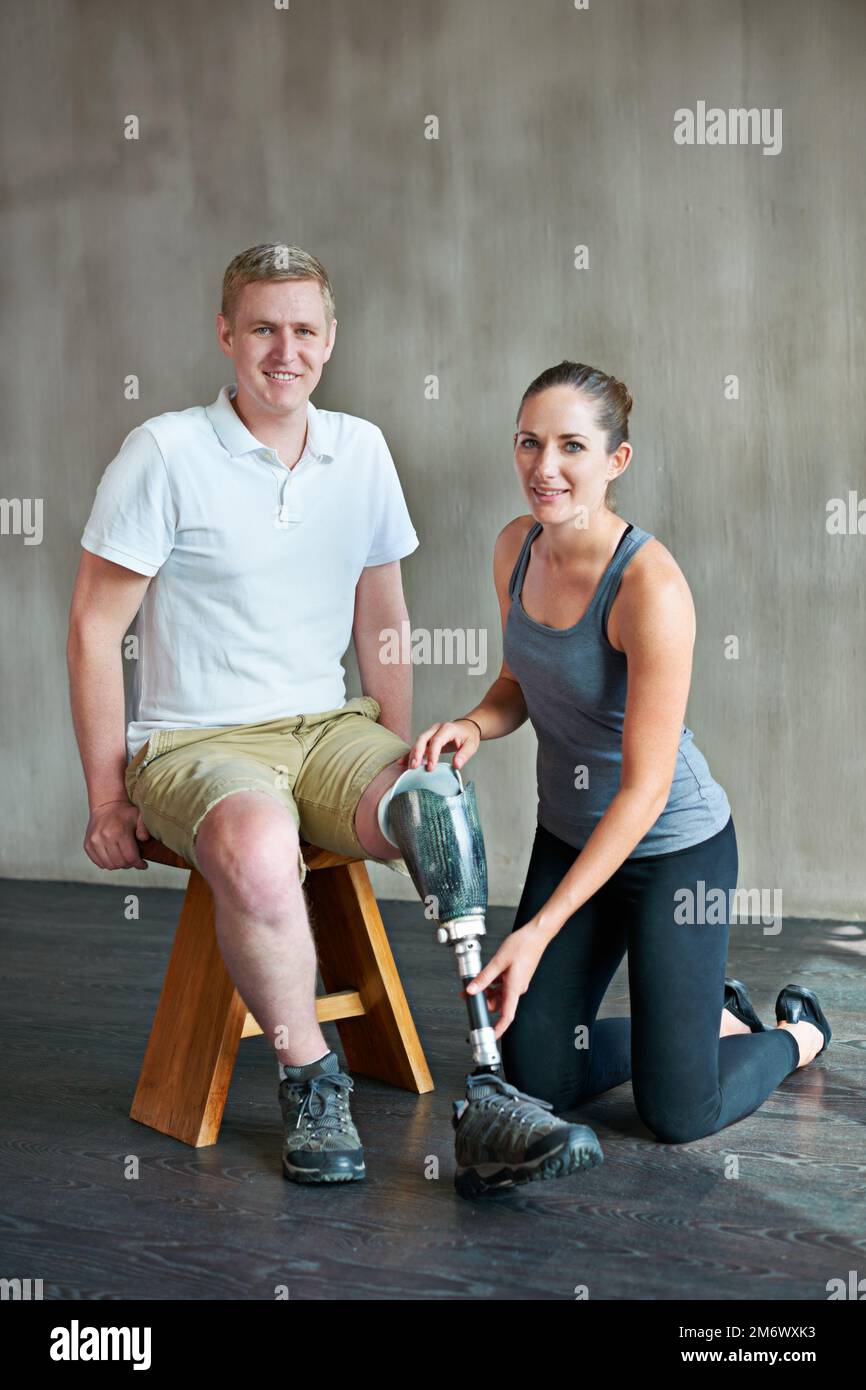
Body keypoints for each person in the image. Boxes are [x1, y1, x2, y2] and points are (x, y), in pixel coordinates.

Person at [67, 245, 601, 1194]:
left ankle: (487, 1087)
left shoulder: (360, 450)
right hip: (198, 745)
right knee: (257, 844)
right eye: (263, 328)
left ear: (330, 339)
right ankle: (312, 1079)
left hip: (326, 729)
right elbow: (93, 626)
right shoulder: (166, 451)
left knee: (435, 801)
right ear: (226, 334)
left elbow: (383, 620)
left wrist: (394, 762)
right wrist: (109, 797)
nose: (285, 350)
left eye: (304, 330)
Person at [407, 360, 831, 1145]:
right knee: (538, 1073)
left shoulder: (650, 588)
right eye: (530, 443)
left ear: (616, 461)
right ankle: (710, 1024)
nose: (546, 467)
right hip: (572, 834)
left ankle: (792, 1037)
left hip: (673, 847)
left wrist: (534, 931)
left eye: (572, 446)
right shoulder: (515, 550)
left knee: (676, 1113)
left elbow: (644, 789)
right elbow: (519, 682)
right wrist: (473, 723)